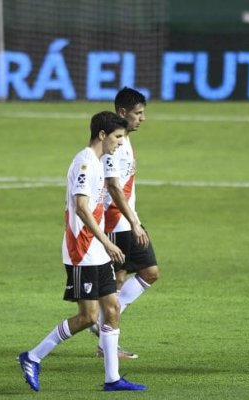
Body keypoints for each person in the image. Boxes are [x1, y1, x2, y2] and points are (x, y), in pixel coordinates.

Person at [18, 111, 146, 392]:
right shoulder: (85, 163)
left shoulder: (98, 163)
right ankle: (32, 356)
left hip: (96, 249)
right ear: (102, 135)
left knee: (111, 309)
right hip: (83, 249)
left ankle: (113, 379)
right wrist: (107, 242)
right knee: (88, 317)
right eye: (117, 137)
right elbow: (82, 208)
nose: (121, 143)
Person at [90, 87, 158, 359]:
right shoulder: (114, 146)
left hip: (124, 220)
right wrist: (135, 222)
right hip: (117, 221)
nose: (142, 118)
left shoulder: (125, 139)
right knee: (150, 272)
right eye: (137, 113)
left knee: (119, 279)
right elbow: (114, 187)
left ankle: (104, 341)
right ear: (122, 113)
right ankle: (100, 325)